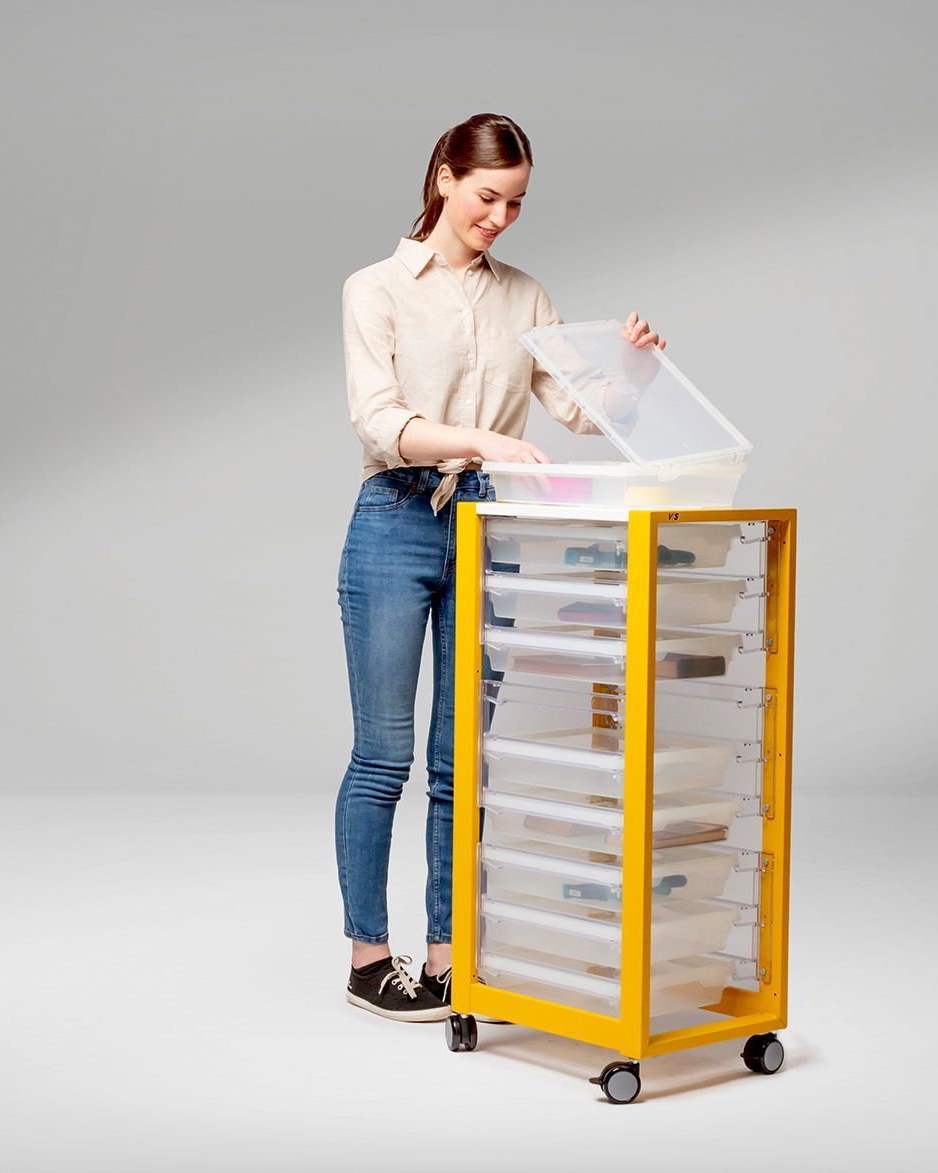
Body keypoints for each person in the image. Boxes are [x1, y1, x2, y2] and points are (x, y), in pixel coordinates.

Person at [336, 112, 666, 1021]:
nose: (500, 218)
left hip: (491, 525)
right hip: (396, 518)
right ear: (443, 177)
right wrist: (481, 438)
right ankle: (370, 957)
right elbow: (380, 422)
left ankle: (447, 957)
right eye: (488, 197)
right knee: (383, 756)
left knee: (461, 758)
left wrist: (632, 374)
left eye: (516, 203)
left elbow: (574, 410)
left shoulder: (526, 297)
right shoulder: (375, 288)